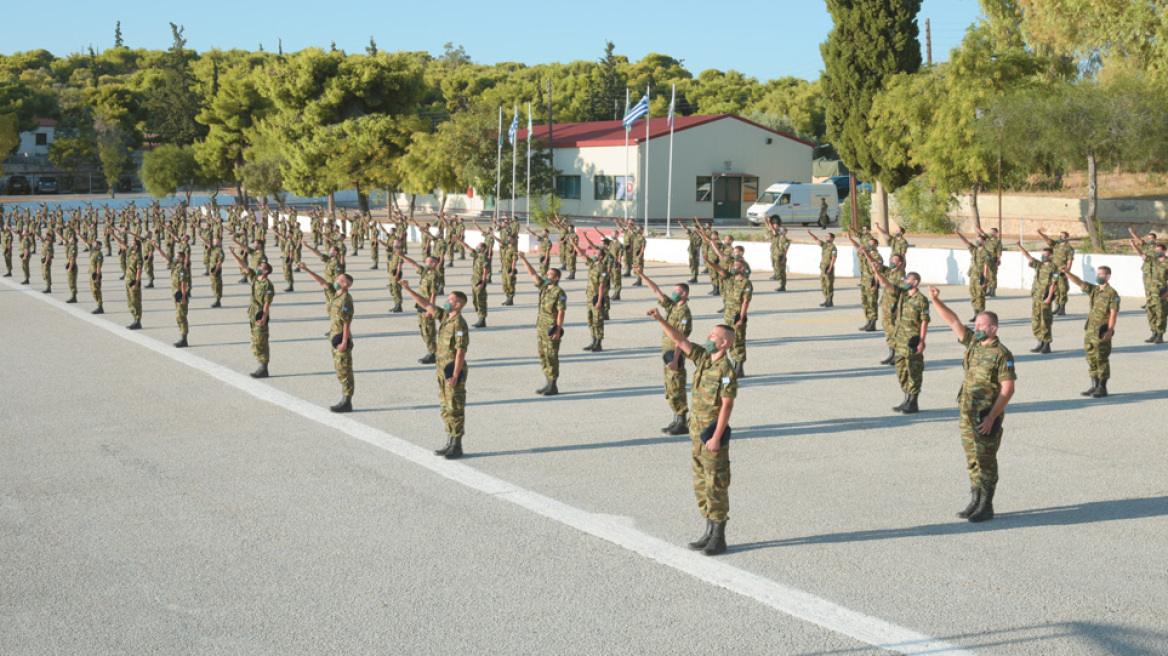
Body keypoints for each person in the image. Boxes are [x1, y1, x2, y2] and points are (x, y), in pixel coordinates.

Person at [646, 310, 737, 556]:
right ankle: (708, 531)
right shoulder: (705, 359)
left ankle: (719, 536)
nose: (708, 337)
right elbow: (681, 341)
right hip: (696, 433)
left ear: (724, 342)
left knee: (715, 484)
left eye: (713, 335)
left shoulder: (726, 370)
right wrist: (661, 320)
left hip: (711, 434)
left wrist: (717, 437)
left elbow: (727, 405)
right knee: (701, 484)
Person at [928, 288, 1016, 523]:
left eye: (980, 325)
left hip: (985, 416)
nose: (976, 328)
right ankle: (975, 499)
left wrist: (991, 418)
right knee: (972, 459)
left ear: (992, 329)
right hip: (966, 413)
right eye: (975, 324)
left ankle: (987, 505)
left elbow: (1008, 389)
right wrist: (936, 300)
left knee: (986, 460)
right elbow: (953, 320)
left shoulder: (1002, 354)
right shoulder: (973, 344)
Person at [402, 280, 470, 458]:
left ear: (458, 304)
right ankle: (449, 441)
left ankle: (457, 445)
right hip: (442, 370)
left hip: (453, 370)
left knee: (454, 407)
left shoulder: (459, 324)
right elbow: (427, 304)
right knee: (445, 407)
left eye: (450, 299)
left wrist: (455, 374)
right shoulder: (446, 318)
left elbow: (461, 352)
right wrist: (408, 289)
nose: (446, 301)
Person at [636, 265, 693, 434]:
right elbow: (656, 290)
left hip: (676, 354)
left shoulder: (684, 313)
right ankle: (675, 419)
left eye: (677, 291)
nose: (674, 293)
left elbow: (680, 339)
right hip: (667, 354)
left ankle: (682, 422)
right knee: (670, 387)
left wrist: (675, 359)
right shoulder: (673, 307)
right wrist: (642, 274)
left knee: (677, 387)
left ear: (684, 294)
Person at [871, 263, 928, 413]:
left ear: (915, 282)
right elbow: (887, 284)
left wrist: (922, 341)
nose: (904, 281)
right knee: (901, 371)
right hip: (900, 340)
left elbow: (924, 321)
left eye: (908, 279)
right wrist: (877, 272)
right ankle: (906, 399)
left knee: (913, 371)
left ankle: (913, 402)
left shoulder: (921, 300)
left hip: (912, 341)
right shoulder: (902, 294)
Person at [299, 262, 355, 412]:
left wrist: (344, 341)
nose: (335, 279)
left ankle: (347, 401)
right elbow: (322, 282)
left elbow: (346, 322)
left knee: (345, 369)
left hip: (341, 339)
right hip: (334, 337)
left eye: (338, 279)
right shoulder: (335, 294)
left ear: (344, 284)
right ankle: (345, 398)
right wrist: (306, 269)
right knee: (339, 369)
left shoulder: (346, 300)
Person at [1062, 263, 1119, 398]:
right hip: (1090, 330)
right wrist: (1068, 273)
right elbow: (1080, 282)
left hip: (1101, 332)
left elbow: (1113, 313)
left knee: (1101, 358)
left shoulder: (1112, 293)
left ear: (1108, 276)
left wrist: (1110, 330)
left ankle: (1102, 387)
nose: (1098, 276)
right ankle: (1094, 385)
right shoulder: (1094, 290)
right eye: (1097, 274)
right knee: (1091, 358)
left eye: (1100, 274)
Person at [518, 252, 566, 396]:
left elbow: (561, 311)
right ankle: (547, 383)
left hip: (551, 328)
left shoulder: (559, 292)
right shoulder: (544, 287)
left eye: (549, 274)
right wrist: (524, 258)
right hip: (541, 327)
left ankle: (553, 385)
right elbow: (533, 274)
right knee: (543, 355)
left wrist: (558, 329)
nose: (546, 276)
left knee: (551, 355)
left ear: (556, 278)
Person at [703, 250, 751, 378]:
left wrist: (741, 318)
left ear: (742, 269)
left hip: (737, 316)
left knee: (739, 341)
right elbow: (719, 270)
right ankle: (734, 366)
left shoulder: (746, 283)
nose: (733, 268)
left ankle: (739, 368)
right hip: (728, 315)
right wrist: (708, 262)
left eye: (736, 266)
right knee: (730, 341)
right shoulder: (730, 278)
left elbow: (746, 301)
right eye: (733, 266)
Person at [396, 250, 440, 364]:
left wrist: (430, 309)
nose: (425, 263)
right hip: (421, 305)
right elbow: (413, 263)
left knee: (429, 331)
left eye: (428, 262)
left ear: (434, 264)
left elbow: (433, 294)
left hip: (427, 306)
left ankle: (432, 354)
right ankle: (430, 351)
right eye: (425, 261)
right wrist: (401, 255)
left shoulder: (434, 276)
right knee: (423, 330)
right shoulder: (425, 273)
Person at [1017, 243, 1059, 354]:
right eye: (1042, 254)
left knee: (1045, 321)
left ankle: (1047, 344)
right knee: (1036, 321)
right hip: (1036, 297)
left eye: (1045, 255)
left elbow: (1053, 284)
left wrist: (1049, 297)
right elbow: (1028, 257)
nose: (1043, 256)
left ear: (1051, 256)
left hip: (1045, 297)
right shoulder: (1039, 265)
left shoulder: (1054, 268)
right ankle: (1039, 342)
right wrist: (1020, 246)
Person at [572, 232, 609, 352]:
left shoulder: (602, 269)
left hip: (596, 298)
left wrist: (599, 301)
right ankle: (593, 341)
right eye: (594, 253)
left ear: (601, 257)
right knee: (591, 320)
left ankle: (599, 343)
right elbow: (582, 254)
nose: (594, 254)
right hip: (589, 297)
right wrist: (573, 243)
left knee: (598, 320)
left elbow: (602, 286)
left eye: (596, 253)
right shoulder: (592, 265)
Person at [156, 240, 192, 348]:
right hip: (177, 296)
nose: (174, 257)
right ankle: (182, 337)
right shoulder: (175, 266)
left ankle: (184, 339)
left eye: (177, 256)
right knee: (179, 317)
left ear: (181, 259)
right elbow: (164, 257)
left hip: (181, 296)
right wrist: (155, 246)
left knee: (181, 317)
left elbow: (183, 284)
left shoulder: (182, 269)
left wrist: (183, 297)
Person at [1038, 228, 1075, 315]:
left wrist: (1067, 272)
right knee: (1055, 289)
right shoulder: (1056, 245)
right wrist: (1040, 233)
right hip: (1054, 271)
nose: (1061, 237)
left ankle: (1062, 308)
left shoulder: (1069, 248)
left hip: (1062, 270)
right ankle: (1057, 306)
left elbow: (1070, 261)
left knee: (1062, 289)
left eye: (1063, 236)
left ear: (1066, 238)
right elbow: (1047, 240)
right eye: (1060, 235)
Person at [955, 229, 989, 321]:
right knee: (973, 296)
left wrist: (985, 281)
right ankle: (976, 315)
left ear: (984, 242)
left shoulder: (986, 253)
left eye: (979, 240)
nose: (977, 242)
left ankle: (981, 316)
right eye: (977, 240)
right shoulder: (974, 250)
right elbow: (966, 242)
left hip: (980, 278)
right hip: (973, 277)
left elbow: (986, 268)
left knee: (980, 297)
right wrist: (959, 233)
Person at [807, 230, 837, 307]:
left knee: (829, 284)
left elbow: (833, 259)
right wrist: (810, 233)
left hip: (828, 269)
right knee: (823, 284)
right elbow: (816, 239)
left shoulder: (833, 248)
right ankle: (826, 299)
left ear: (832, 239)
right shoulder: (825, 245)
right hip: (823, 269)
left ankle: (830, 301)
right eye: (826, 237)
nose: (827, 238)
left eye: (829, 237)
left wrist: (830, 268)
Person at [766, 220, 790, 291]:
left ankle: (782, 285)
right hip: (775, 256)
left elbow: (785, 250)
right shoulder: (777, 237)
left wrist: (783, 259)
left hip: (780, 257)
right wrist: (769, 221)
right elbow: (772, 229)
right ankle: (781, 284)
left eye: (781, 230)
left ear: (784, 232)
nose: (779, 231)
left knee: (781, 272)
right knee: (777, 271)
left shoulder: (786, 240)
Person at [88, 236, 104, 314]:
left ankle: (100, 306)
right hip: (92, 274)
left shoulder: (99, 254)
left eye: (96, 245)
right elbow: (86, 243)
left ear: (99, 246)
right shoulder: (93, 252)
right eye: (93, 244)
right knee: (93, 291)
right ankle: (98, 305)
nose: (94, 246)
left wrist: (97, 277)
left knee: (96, 290)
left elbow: (99, 266)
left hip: (96, 275)